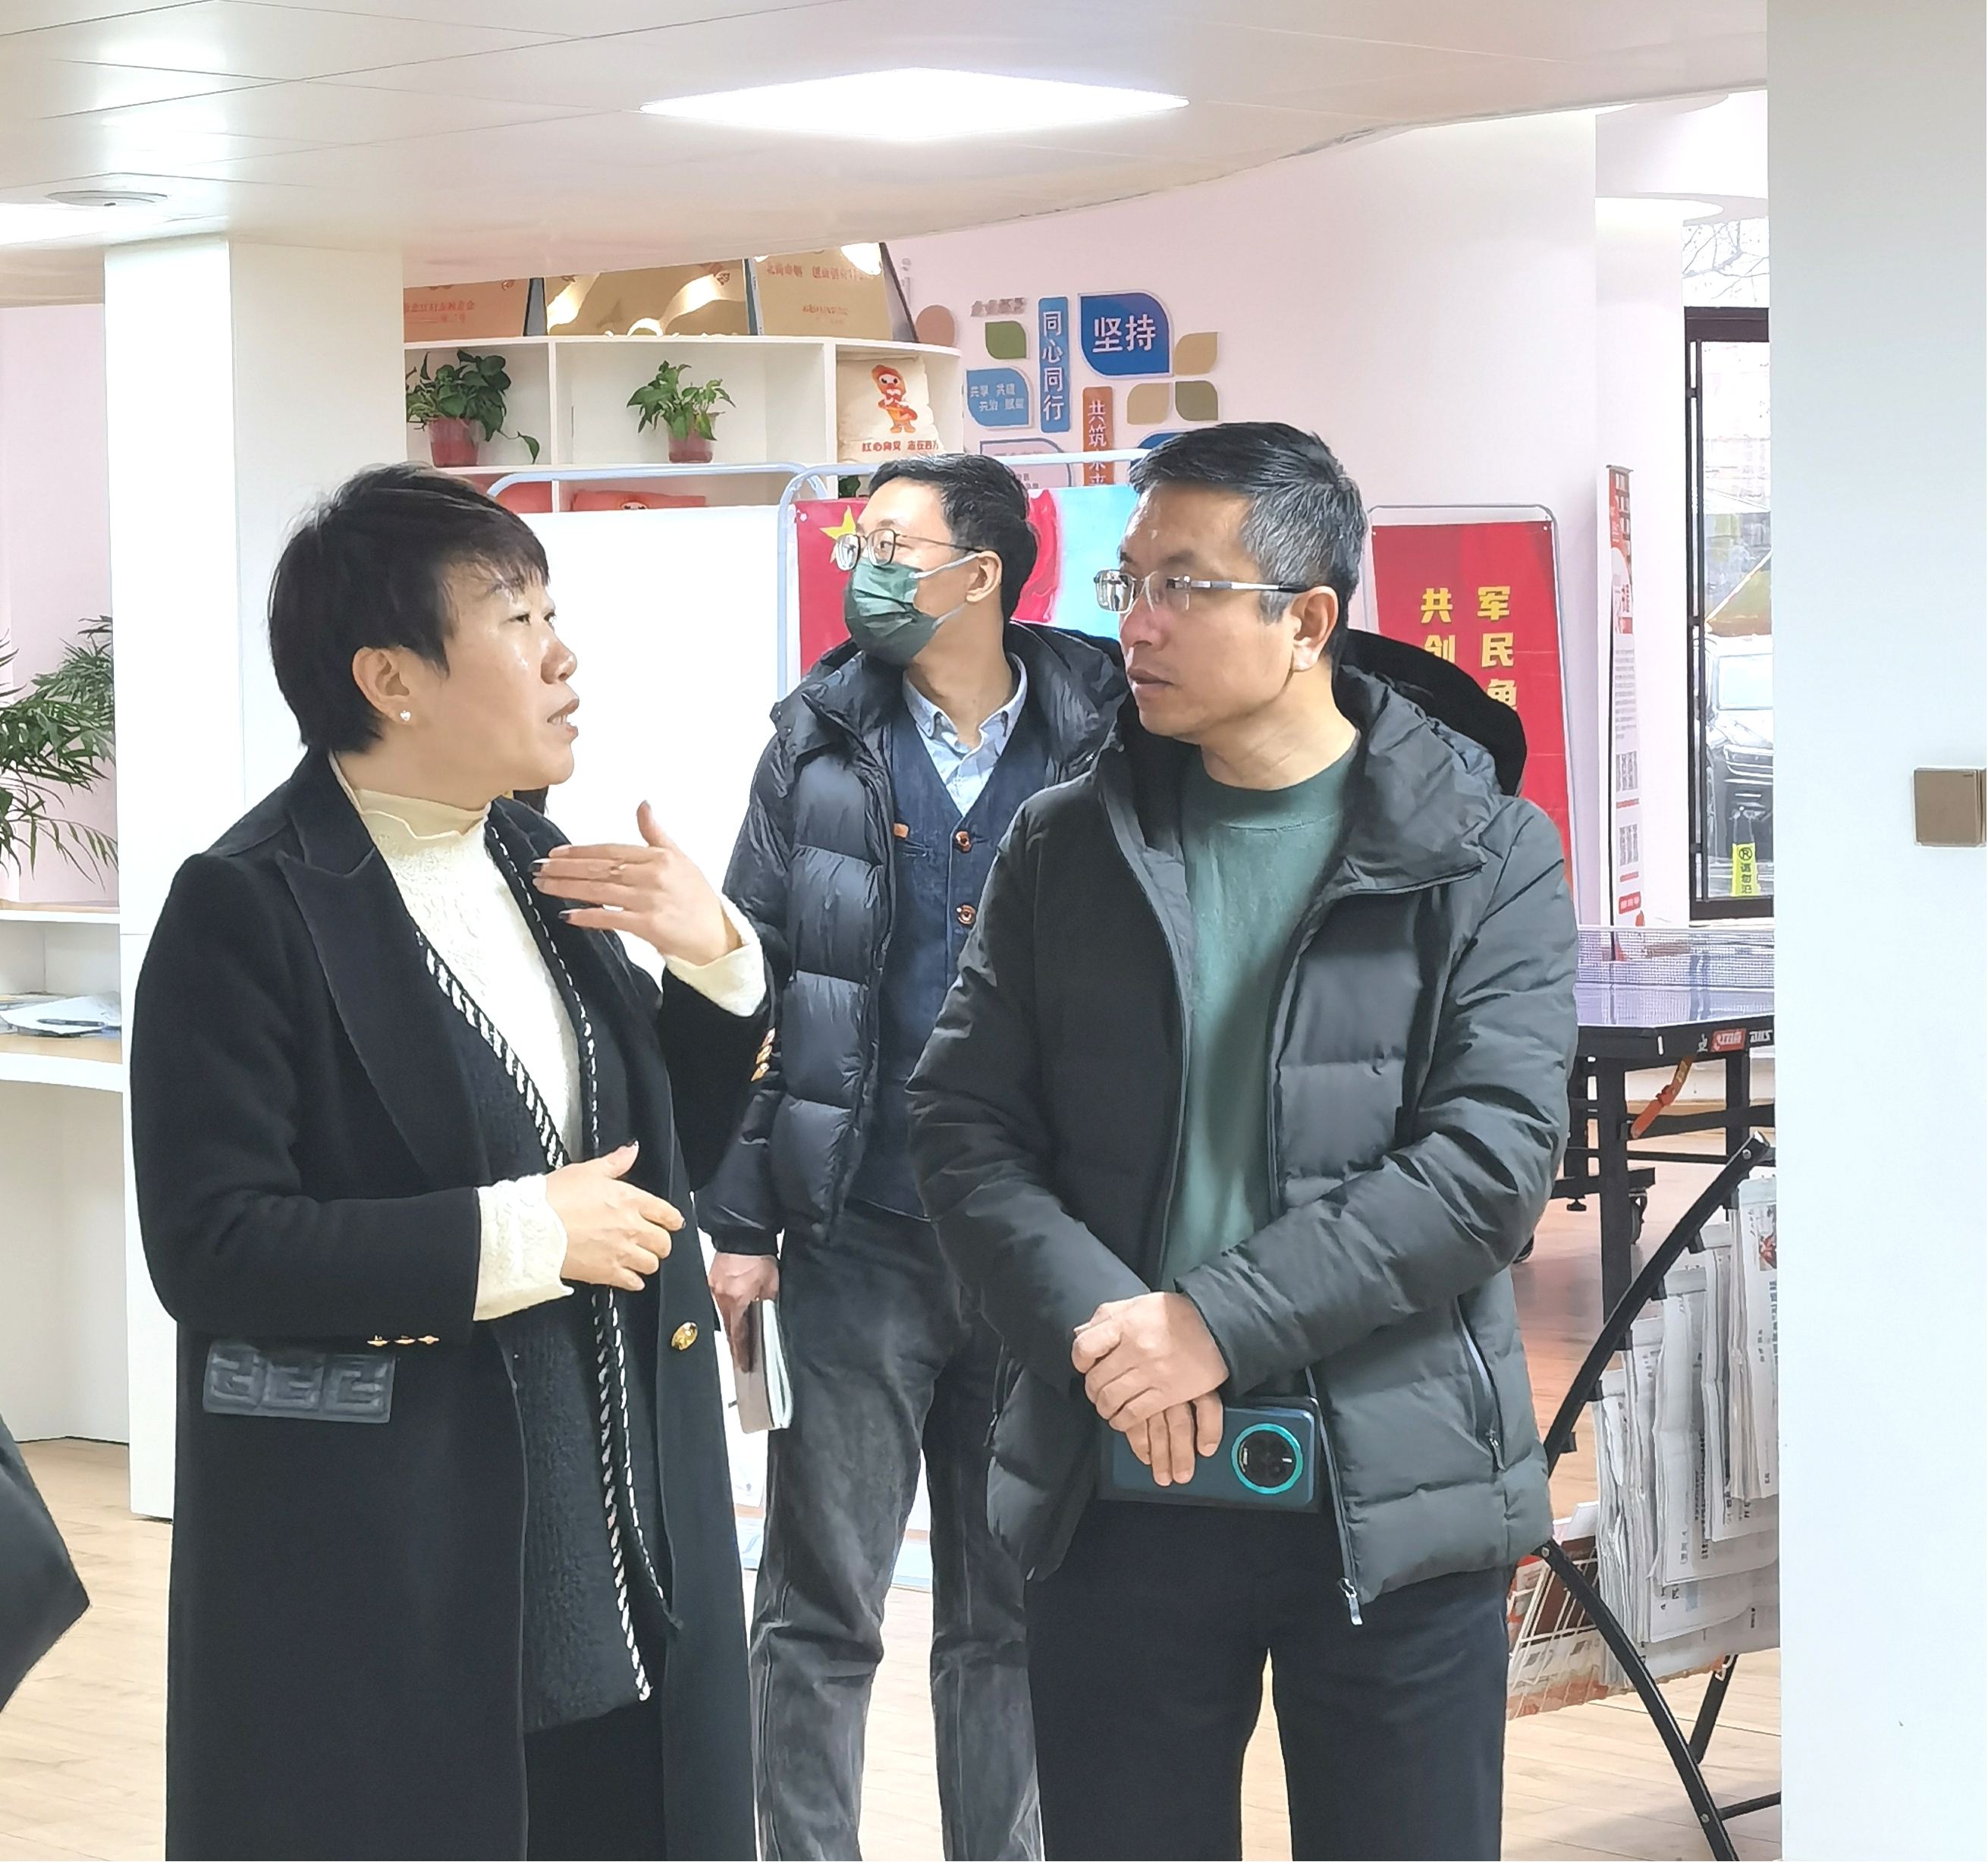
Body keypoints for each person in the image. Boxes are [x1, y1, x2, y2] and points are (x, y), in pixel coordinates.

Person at [906, 423, 1578, 1862]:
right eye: (1127, 580)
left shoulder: (1488, 853)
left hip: (1390, 1490)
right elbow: (962, 1124)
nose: (1134, 623)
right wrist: (1113, 1339)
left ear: (1307, 621)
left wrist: (1210, 1325)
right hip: (1119, 1480)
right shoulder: (1064, 846)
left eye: (1182, 586)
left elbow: (1488, 1167)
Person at [129, 465, 771, 1861]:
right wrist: (518, 1235)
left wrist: (717, 969)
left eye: (553, 613)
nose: (563, 655)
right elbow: (212, 1247)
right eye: (518, 619)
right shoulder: (247, 904)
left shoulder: (536, 859)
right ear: (391, 679)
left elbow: (648, 1185)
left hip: (625, 1562)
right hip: (404, 1575)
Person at [703, 453, 1127, 1860]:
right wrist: (740, 1222)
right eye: (858, 543)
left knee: (1008, 1608)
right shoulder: (815, 744)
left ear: (980, 573)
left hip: (1042, 1246)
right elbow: (756, 985)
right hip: (856, 1234)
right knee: (818, 1605)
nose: (862, 568)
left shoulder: (1107, 733)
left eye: (891, 544)